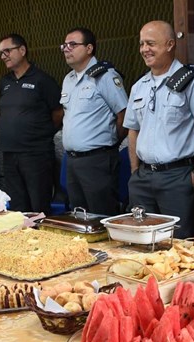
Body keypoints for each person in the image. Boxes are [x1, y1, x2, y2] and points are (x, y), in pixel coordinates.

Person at [123, 21, 194, 238]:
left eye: (151, 43)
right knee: (142, 241)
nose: (145, 49)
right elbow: (133, 130)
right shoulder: (139, 86)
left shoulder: (191, 80)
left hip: (177, 177)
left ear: (170, 45)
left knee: (180, 243)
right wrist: (135, 172)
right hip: (143, 178)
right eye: (142, 44)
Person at [60, 27, 128, 215]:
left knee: (102, 215)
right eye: (64, 45)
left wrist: (112, 143)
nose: (67, 49)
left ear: (89, 48)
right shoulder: (68, 79)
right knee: (79, 216)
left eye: (73, 44)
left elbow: (124, 114)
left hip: (98, 159)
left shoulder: (105, 76)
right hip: (73, 161)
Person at [0, 33, 63, 213]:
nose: (4, 56)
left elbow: (58, 112)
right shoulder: (5, 82)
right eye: (1, 53)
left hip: (36, 155)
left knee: (38, 206)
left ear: (22, 50)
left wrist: (40, 133)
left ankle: (41, 240)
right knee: (18, 208)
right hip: (10, 155)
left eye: (7, 51)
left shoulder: (42, 80)